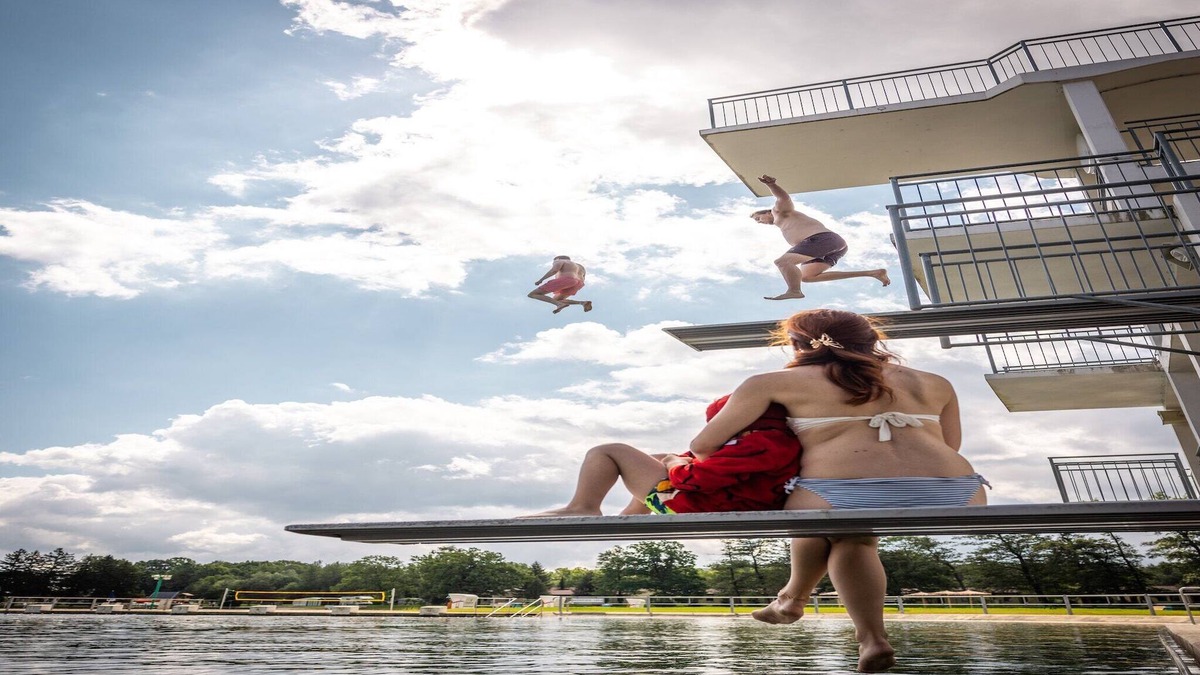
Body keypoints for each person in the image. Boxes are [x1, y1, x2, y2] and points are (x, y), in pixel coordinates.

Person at [688, 308, 988, 673]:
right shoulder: (935, 381)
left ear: (796, 344)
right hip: (957, 491)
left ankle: (861, 633)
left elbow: (703, 446)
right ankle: (790, 600)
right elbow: (951, 445)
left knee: (848, 536)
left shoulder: (770, 382)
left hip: (838, 490)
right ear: (872, 341)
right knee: (830, 523)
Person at [523, 395, 801, 518]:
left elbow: (694, 479)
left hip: (701, 506)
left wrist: (673, 462)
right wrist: (670, 459)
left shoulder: (761, 442)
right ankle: (632, 515)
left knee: (608, 451)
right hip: (731, 502)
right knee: (656, 457)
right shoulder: (775, 441)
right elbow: (708, 462)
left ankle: (583, 506)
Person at [753, 175, 890, 301]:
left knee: (783, 262)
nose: (759, 222)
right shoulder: (783, 223)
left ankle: (794, 291)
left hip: (821, 240)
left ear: (767, 212)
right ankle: (873, 273)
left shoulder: (779, 212)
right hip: (830, 246)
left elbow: (783, 198)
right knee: (807, 276)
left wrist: (772, 185)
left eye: (758, 218)